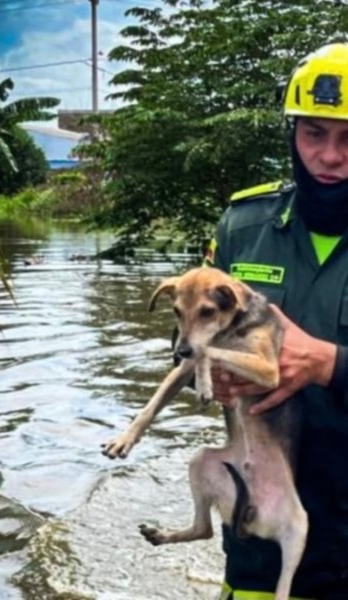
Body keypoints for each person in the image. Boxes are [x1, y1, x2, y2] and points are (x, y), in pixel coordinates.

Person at [207, 43, 348, 597]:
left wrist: (329, 364)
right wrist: (210, 370)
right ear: (291, 135)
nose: (330, 156)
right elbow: (188, 336)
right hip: (258, 535)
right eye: (314, 133)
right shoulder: (242, 227)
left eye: (347, 138)